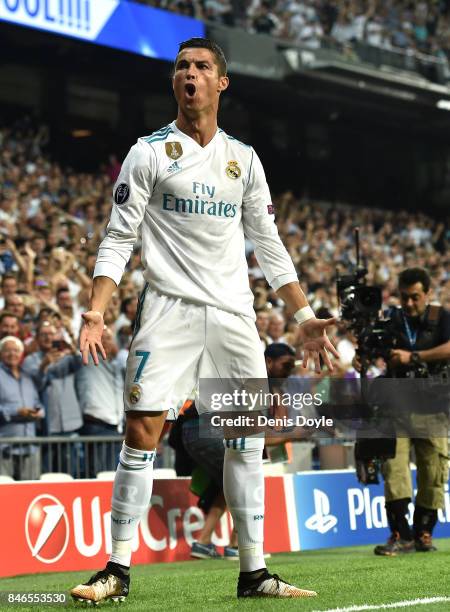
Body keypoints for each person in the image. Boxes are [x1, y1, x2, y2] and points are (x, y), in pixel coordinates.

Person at [70, 37, 338, 604]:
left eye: (201, 66)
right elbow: (118, 237)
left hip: (236, 316)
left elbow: (267, 241)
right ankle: (116, 569)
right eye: (181, 67)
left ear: (222, 83)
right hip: (168, 313)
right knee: (142, 432)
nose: (189, 74)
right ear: (174, 83)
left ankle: (255, 572)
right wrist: (96, 308)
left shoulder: (243, 158)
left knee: (247, 442)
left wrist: (304, 313)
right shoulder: (147, 153)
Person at [366, 268, 449, 556]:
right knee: (394, 468)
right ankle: (401, 533)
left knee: (434, 470)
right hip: (396, 406)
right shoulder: (391, 319)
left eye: (415, 297)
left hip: (434, 406)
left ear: (427, 293)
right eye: (405, 297)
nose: (410, 303)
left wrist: (414, 356)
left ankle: (424, 532)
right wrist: (362, 355)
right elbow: (371, 349)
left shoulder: (442, 318)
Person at [0, 336, 44, 480]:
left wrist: (39, 412)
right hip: (5, 447)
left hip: (30, 447)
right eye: (7, 351)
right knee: (5, 495)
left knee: (30, 494)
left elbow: (38, 403)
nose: (12, 354)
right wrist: (16, 412)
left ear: (21, 354)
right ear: (1, 353)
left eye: (16, 350)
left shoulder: (28, 377)